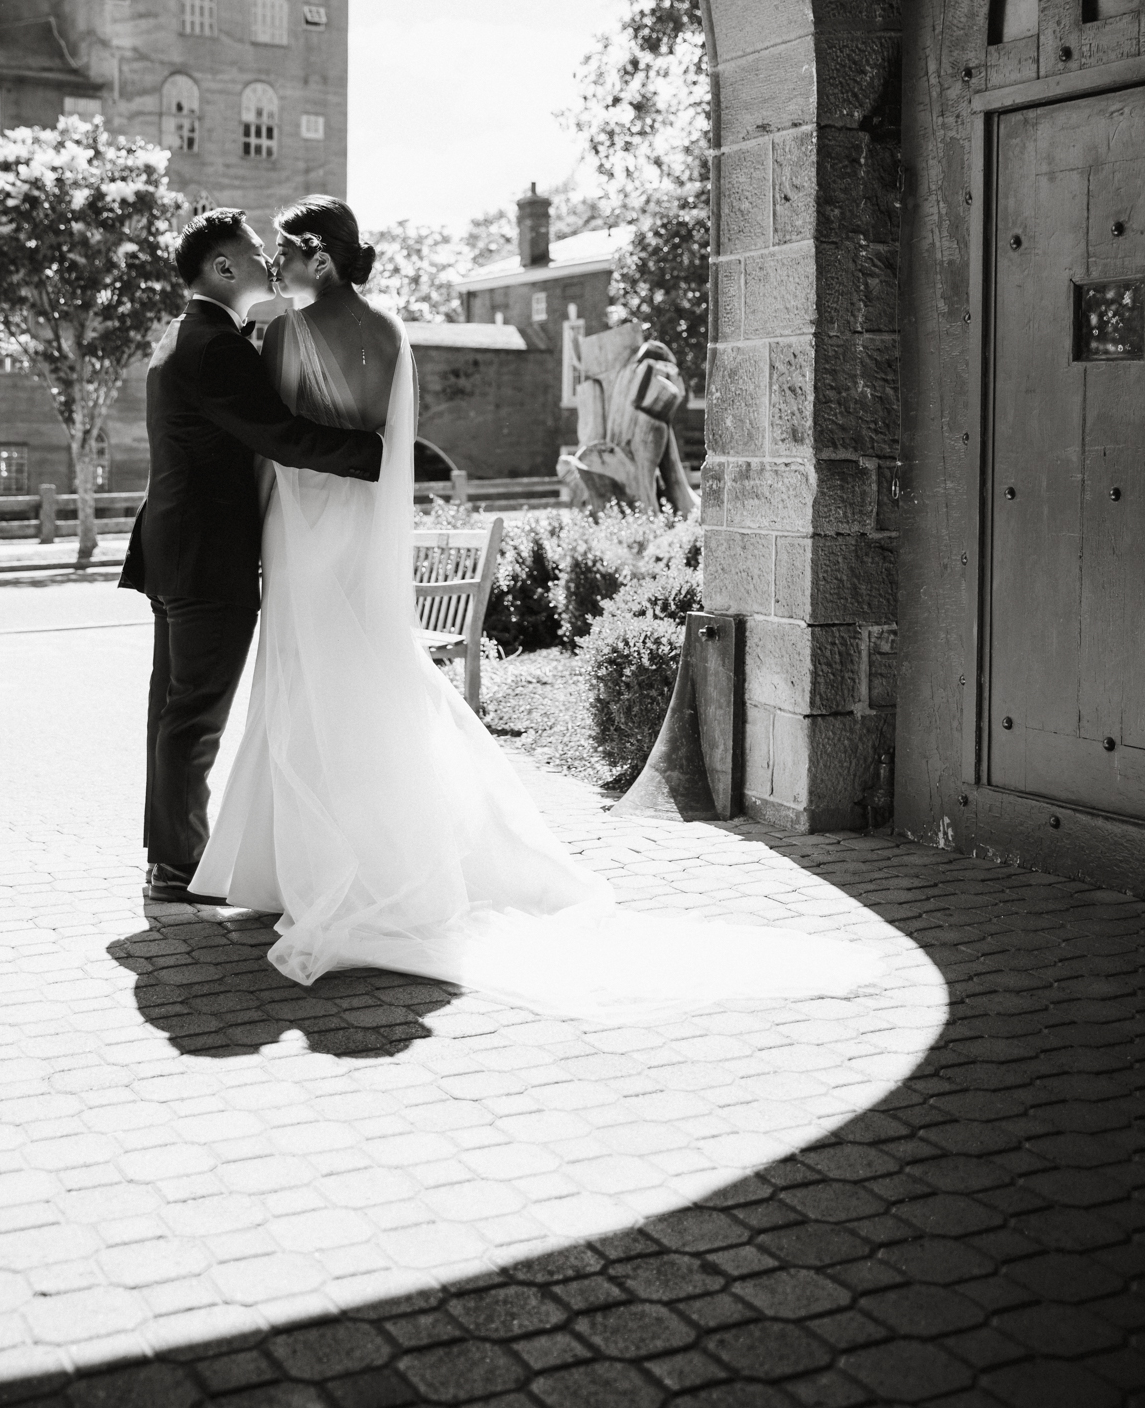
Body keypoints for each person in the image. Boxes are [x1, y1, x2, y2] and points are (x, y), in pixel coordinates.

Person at [191, 196, 885, 1022]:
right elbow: (384, 450)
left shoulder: (284, 333)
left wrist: (258, 531)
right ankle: (373, 858)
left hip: (302, 532)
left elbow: (275, 445)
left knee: (307, 684)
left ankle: (300, 868)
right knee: (369, 684)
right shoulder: (390, 335)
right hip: (358, 533)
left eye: (285, 252)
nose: (274, 264)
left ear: (322, 261)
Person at [120, 207, 384, 904]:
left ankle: (167, 857)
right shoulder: (218, 347)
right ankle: (179, 864)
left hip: (173, 549)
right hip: (208, 558)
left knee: (173, 706)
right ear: (224, 267)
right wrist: (380, 455)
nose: (270, 261)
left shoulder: (182, 335)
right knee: (195, 714)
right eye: (255, 251)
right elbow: (282, 437)